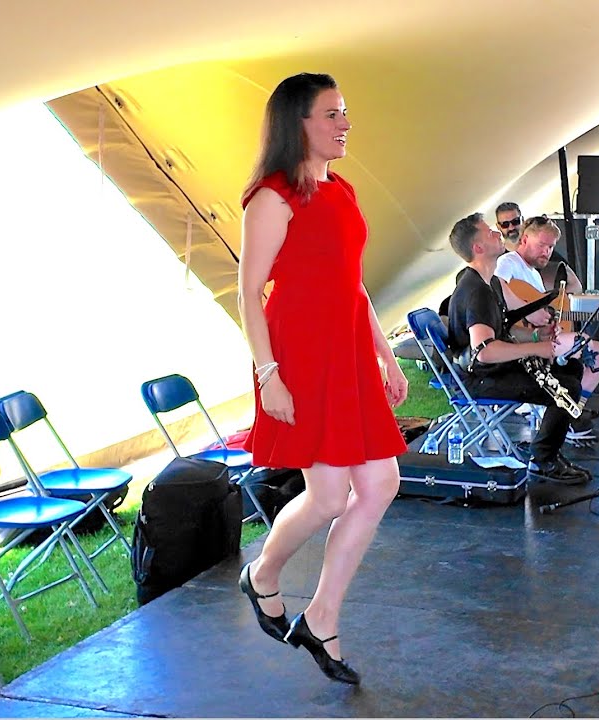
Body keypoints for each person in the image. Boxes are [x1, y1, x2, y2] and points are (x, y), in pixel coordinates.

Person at [235, 73, 407, 686]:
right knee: (331, 496)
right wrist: (269, 375)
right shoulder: (273, 196)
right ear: (297, 123)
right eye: (331, 113)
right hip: (299, 358)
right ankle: (262, 575)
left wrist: (385, 355)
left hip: (350, 354)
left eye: (345, 111)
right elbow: (248, 293)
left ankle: (322, 615)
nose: (344, 122)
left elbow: (352, 284)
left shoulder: (344, 190)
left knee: (380, 483)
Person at [447, 213, 597, 484]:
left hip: (490, 370)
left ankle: (548, 450)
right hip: (480, 378)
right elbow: (484, 350)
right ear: (478, 248)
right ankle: (544, 460)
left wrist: (536, 334)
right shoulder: (477, 290)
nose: (498, 234)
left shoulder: (489, 282)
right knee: (568, 388)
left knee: (573, 368)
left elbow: (501, 331)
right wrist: (536, 349)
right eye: (490, 232)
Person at [495, 216, 599, 439]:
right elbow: (495, 287)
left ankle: (571, 412)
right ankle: (565, 414)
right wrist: (527, 311)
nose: (546, 252)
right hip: (522, 340)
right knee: (590, 347)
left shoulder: (534, 274)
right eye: (542, 245)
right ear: (525, 239)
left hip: (542, 337)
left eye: (550, 247)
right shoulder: (509, 262)